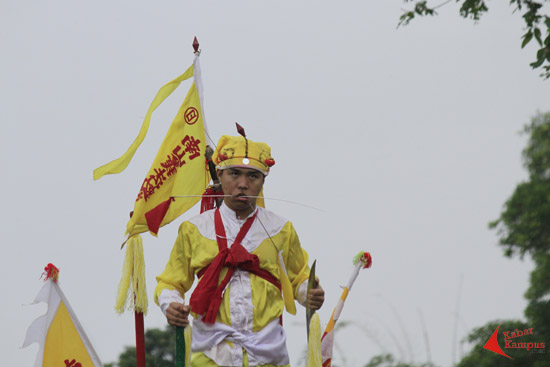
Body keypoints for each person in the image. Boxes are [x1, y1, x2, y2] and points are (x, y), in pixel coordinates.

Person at [155, 134, 324, 367]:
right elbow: (171, 283)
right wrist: (170, 304)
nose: (243, 184)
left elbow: (299, 279)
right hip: (211, 352)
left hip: (267, 353)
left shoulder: (281, 229)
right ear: (220, 175)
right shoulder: (194, 229)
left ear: (263, 181)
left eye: (253, 176)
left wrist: (310, 293)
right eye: (235, 174)